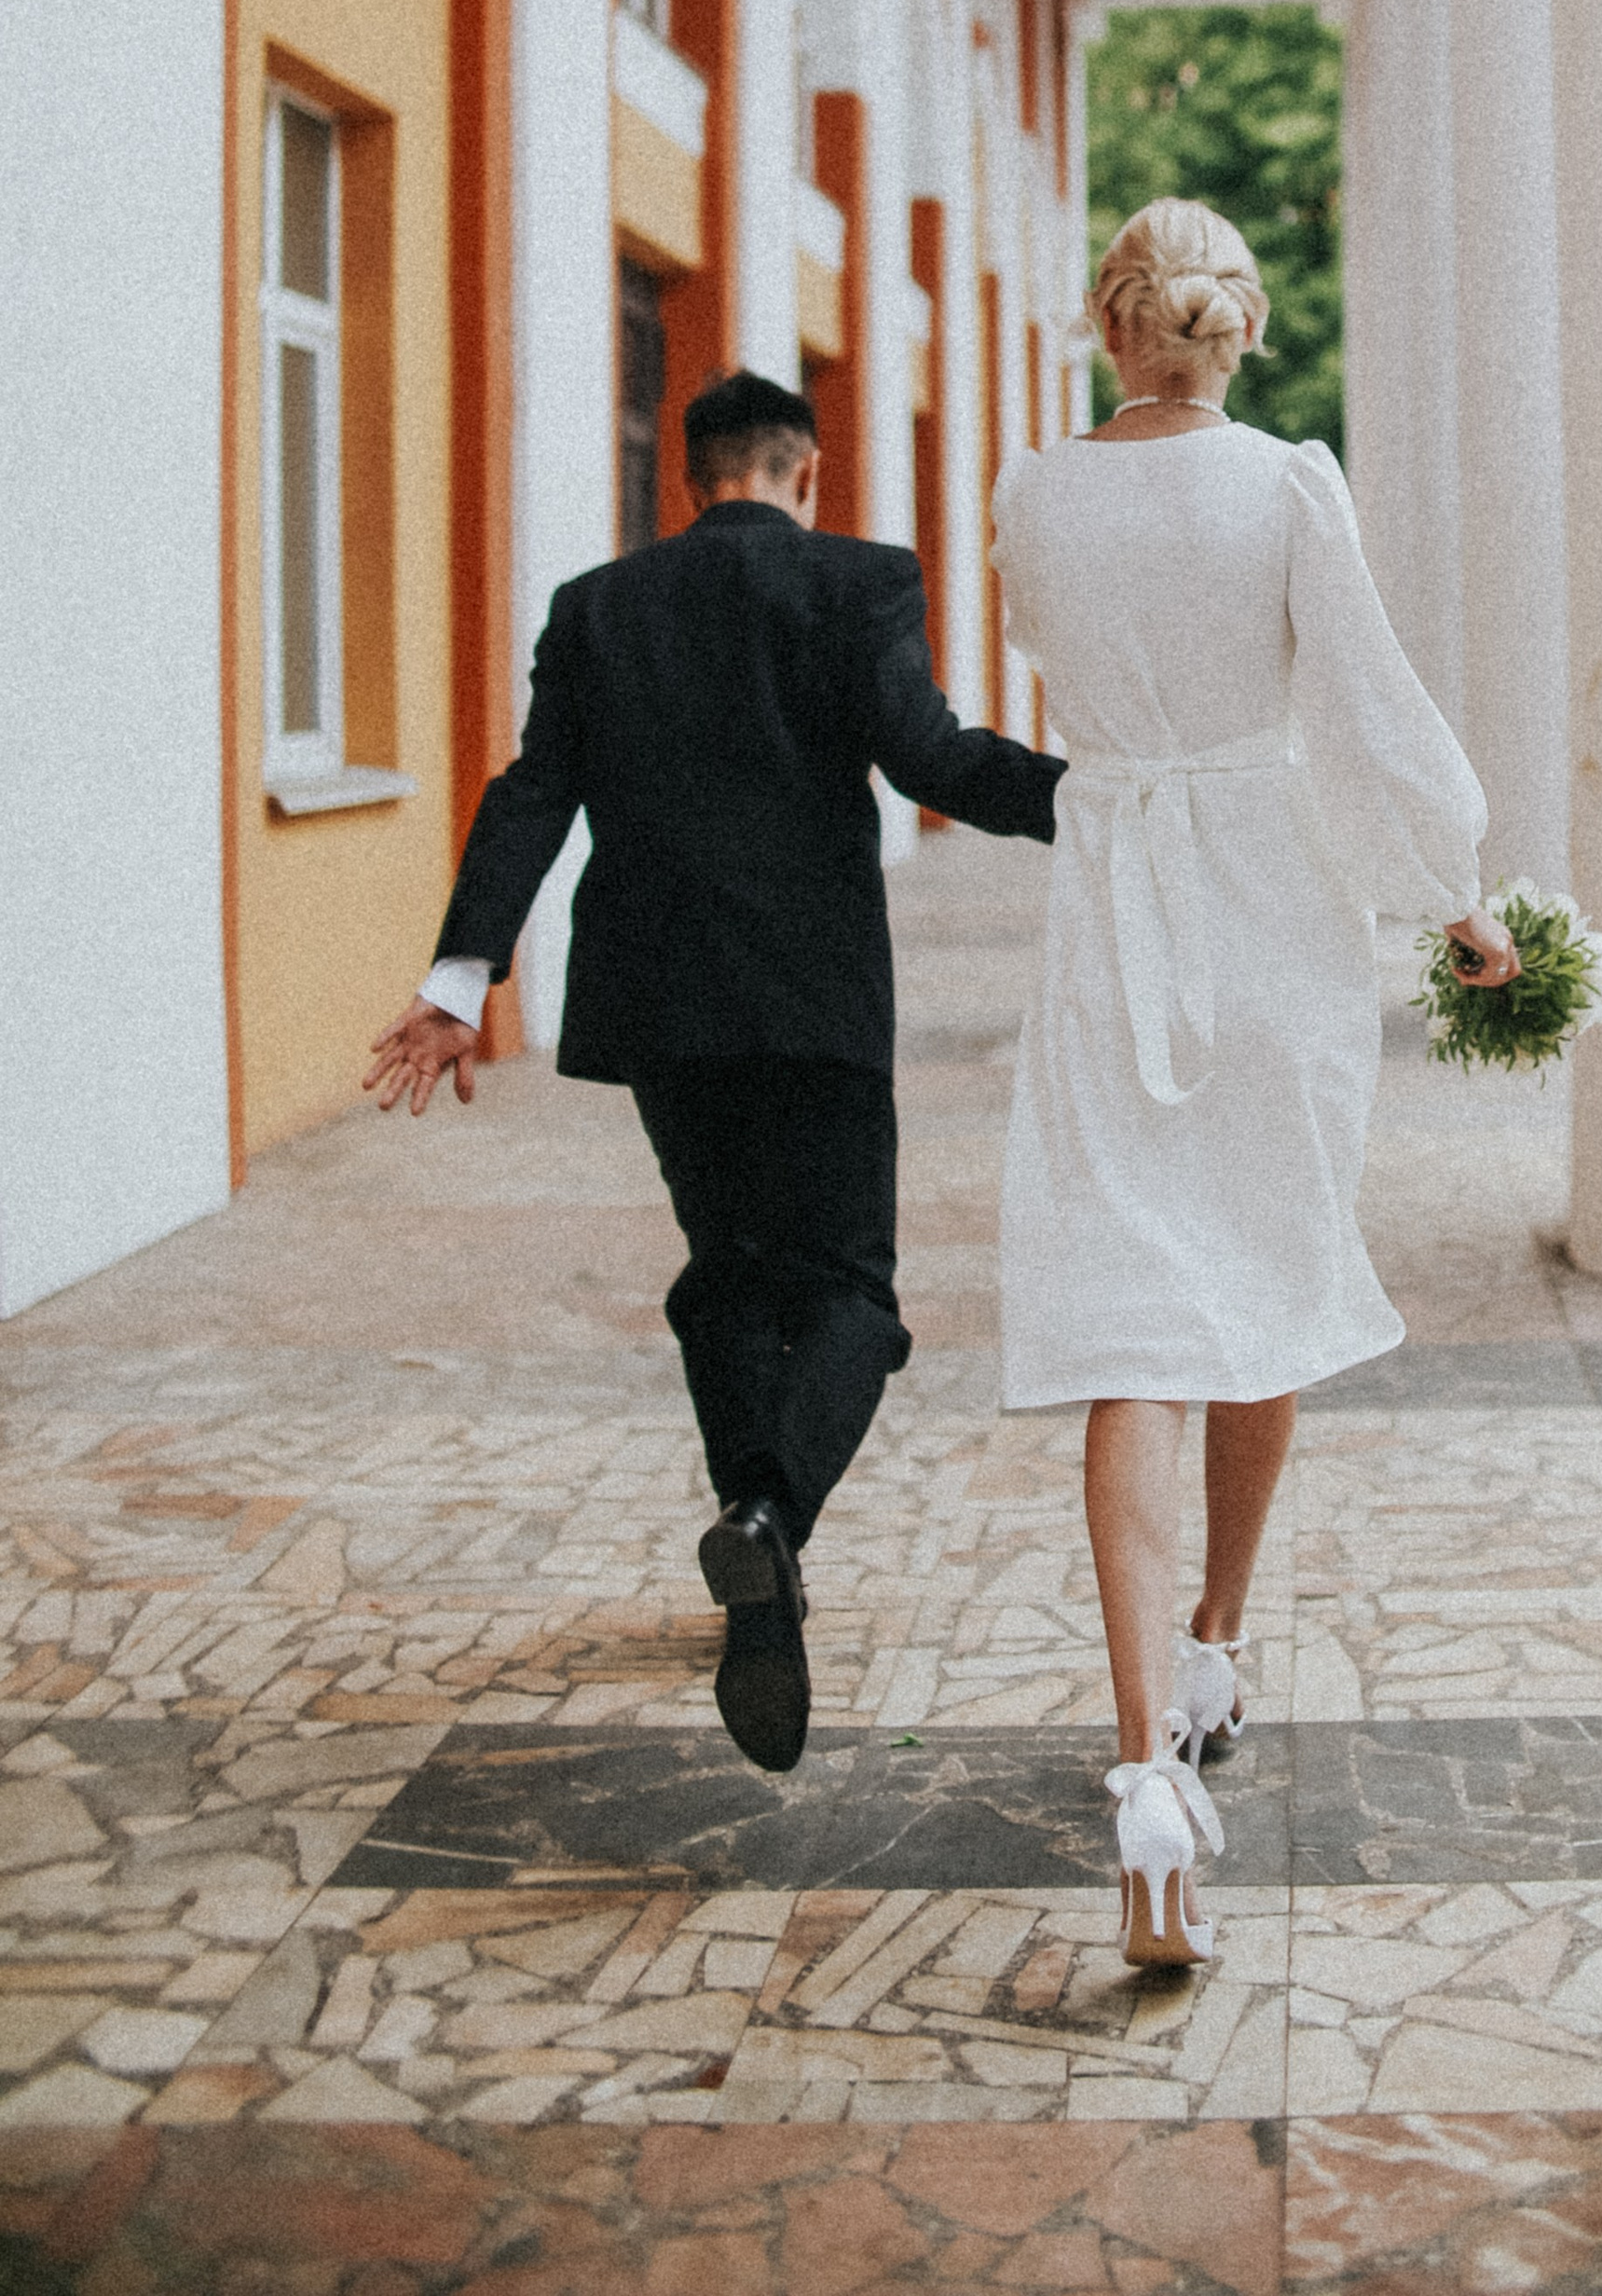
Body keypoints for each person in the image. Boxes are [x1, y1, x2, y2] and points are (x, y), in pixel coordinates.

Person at [363, 369, 1064, 1774]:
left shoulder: (597, 605)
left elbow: (533, 795)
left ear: (692, 481)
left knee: (728, 1273)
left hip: (664, 998)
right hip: (811, 997)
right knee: (852, 1294)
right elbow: (930, 760)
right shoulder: (859, 580)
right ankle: (769, 1522)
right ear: (804, 472)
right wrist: (1102, 804)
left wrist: (460, 981)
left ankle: (757, 1540)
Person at [991, 201, 1519, 1968]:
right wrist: (1453, 891)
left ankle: (1149, 1764)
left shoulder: (1032, 489)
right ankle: (1218, 1630)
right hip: (1270, 905)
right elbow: (1360, 698)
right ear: (1235, 329)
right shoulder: (1292, 481)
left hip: (1114, 897)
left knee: (1131, 1319)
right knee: (1265, 1281)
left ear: (1110, 322)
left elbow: (1045, 656)